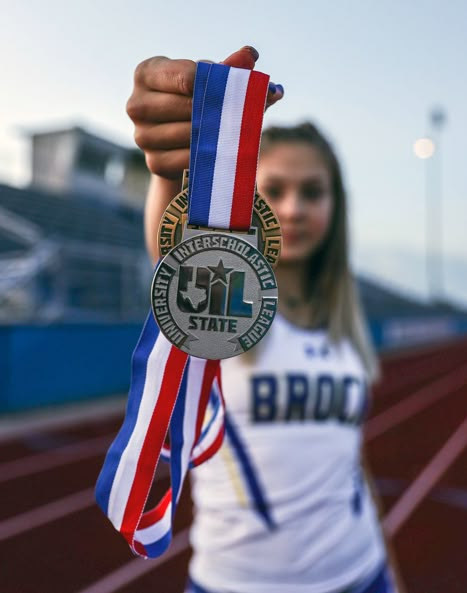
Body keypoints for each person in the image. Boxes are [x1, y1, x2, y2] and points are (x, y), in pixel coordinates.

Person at [127, 46, 404, 593]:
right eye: (275, 190)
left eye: (313, 192)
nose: (296, 207)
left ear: (336, 206)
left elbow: (349, 458)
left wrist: (389, 572)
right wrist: (172, 170)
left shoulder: (345, 318)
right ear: (249, 199)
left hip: (362, 572)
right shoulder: (226, 307)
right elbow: (173, 254)